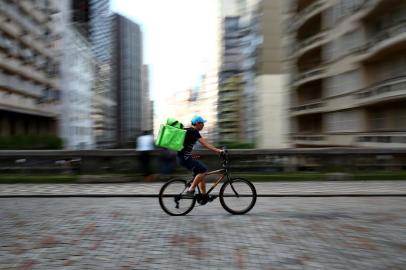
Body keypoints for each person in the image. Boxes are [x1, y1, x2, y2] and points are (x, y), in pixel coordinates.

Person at [177, 115, 223, 197]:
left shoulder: (189, 130)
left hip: (182, 158)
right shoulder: (194, 131)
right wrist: (218, 150)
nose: (203, 125)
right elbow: (205, 144)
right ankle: (190, 190)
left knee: (201, 173)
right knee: (203, 170)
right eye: (202, 123)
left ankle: (204, 195)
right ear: (198, 123)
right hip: (185, 159)